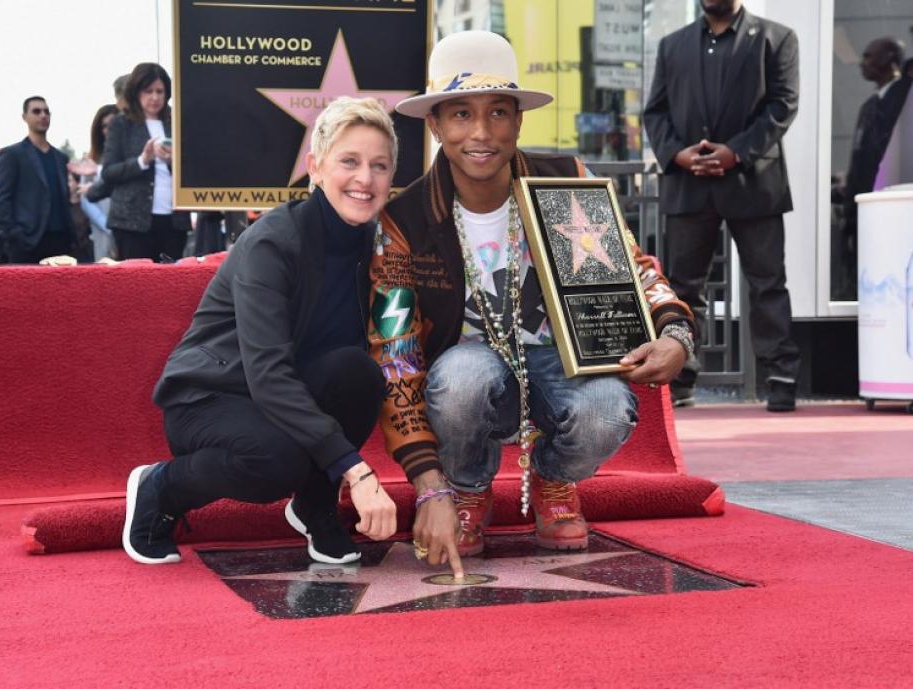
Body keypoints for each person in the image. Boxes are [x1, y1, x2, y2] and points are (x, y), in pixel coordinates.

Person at [369, 31, 694, 575]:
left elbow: (633, 266)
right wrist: (429, 484)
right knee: (461, 379)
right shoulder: (404, 220)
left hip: (562, 363)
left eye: (498, 112)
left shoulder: (566, 179)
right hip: (467, 373)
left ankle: (553, 477)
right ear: (435, 124)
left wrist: (674, 332)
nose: (480, 132)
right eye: (460, 114)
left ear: (518, 119)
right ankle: (468, 488)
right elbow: (395, 352)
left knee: (609, 408)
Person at [123, 97, 399, 565]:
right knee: (278, 458)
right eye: (349, 161)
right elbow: (267, 372)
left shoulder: (378, 244)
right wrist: (356, 471)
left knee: (358, 373)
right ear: (315, 167)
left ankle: (313, 505)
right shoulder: (274, 241)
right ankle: (159, 489)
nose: (365, 179)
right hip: (210, 397)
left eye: (380, 165)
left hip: (284, 392)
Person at [643, 0, 801, 412]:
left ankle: (780, 376)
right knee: (682, 287)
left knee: (767, 283)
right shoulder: (671, 45)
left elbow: (783, 104)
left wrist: (737, 152)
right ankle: (681, 377)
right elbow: (655, 112)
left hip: (753, 182)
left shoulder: (776, 38)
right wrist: (677, 154)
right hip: (688, 184)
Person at [837, 38, 912, 299]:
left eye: (869, 56)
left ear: (890, 57)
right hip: (866, 209)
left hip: (895, 208)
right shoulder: (869, 106)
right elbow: (859, 160)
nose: (862, 62)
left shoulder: (904, 97)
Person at [101, 63, 191, 261]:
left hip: (174, 220)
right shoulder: (121, 124)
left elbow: (193, 169)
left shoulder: (178, 123)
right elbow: (108, 173)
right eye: (148, 91)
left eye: (160, 91)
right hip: (131, 222)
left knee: (171, 283)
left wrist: (171, 162)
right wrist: (143, 160)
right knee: (137, 284)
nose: (155, 97)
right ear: (136, 92)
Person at [0, 96, 77, 264]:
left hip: (61, 241)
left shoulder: (60, 157)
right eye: (36, 111)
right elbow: (0, 200)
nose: (43, 115)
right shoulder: (12, 155)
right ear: (24, 117)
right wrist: (15, 235)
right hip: (27, 243)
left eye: (46, 112)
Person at [78, 104, 120, 261]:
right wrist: (107, 226)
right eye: (104, 126)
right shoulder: (91, 160)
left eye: (113, 124)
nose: (108, 130)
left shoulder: (129, 158)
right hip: (102, 229)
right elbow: (85, 198)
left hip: (129, 226)